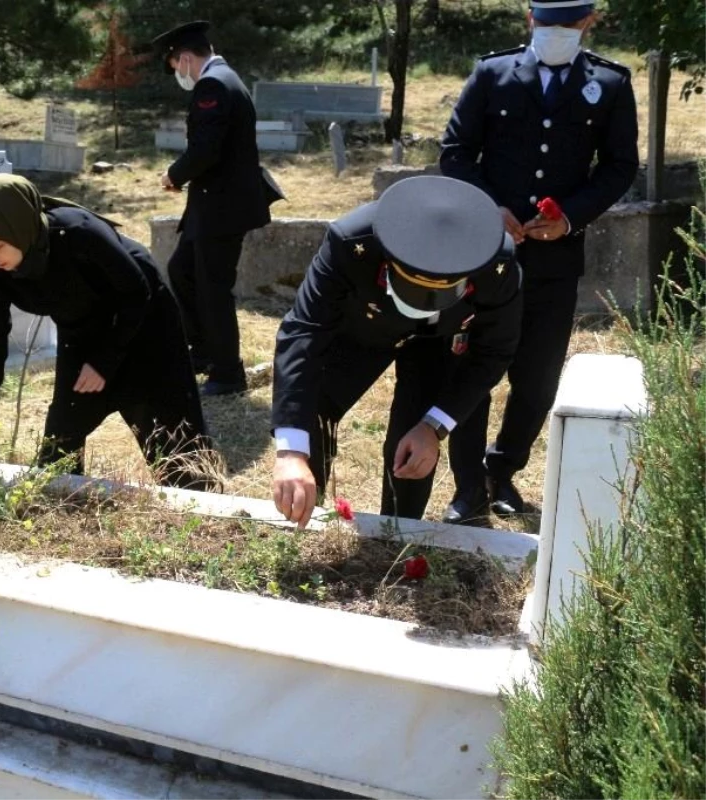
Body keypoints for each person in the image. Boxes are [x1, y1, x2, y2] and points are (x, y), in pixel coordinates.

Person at [439, 0, 639, 524]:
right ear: (530, 20)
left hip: (555, 257)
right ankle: (466, 489)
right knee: (473, 367)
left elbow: (619, 166)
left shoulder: (611, 83)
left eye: (568, 24)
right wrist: (489, 208)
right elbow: (456, 151)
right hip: (487, 255)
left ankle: (500, 470)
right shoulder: (494, 73)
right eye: (546, 23)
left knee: (537, 378)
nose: (556, 32)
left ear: (588, 23)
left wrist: (570, 216)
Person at [271, 176, 523, 526]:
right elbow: (305, 330)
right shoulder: (352, 240)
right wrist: (292, 451)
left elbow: (494, 351)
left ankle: (398, 533)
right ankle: (304, 515)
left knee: (413, 443)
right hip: (361, 331)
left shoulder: (495, 261)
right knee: (315, 412)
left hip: (437, 343)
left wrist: (434, 426)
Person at [0, 174, 219, 490]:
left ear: (19, 227)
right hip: (81, 332)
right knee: (60, 446)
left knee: (173, 441)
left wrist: (104, 362)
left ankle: (197, 507)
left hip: (143, 323)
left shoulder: (77, 231)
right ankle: (66, 503)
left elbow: (137, 292)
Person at [151, 21, 283, 396]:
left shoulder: (213, 84)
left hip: (221, 209)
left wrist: (173, 175)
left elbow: (206, 150)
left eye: (177, 65)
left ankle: (227, 372)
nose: (178, 73)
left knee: (213, 288)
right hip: (214, 205)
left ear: (188, 58)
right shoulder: (227, 79)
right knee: (183, 271)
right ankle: (204, 351)